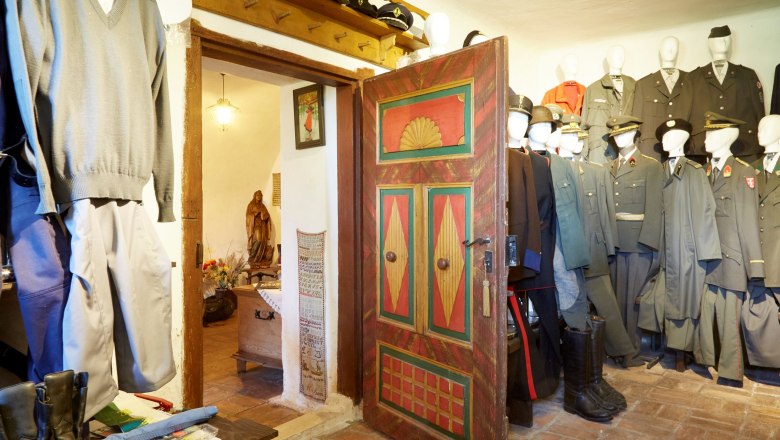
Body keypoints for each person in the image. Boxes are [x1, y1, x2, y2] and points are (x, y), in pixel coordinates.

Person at [246, 190, 273, 266]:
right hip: (255, 226)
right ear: (255, 196)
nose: (259, 197)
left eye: (260, 196)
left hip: (263, 226)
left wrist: (264, 215)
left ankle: (259, 259)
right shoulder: (251, 205)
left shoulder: (262, 206)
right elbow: (248, 216)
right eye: (257, 195)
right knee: (258, 240)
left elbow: (267, 215)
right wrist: (254, 214)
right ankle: (252, 257)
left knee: (263, 241)